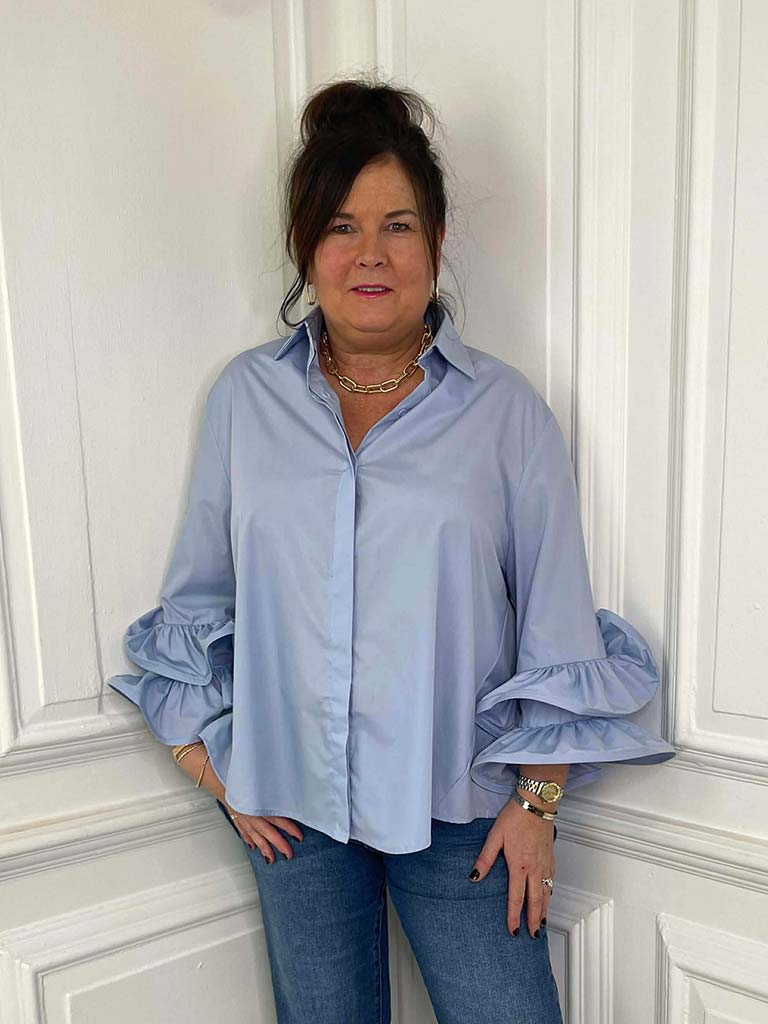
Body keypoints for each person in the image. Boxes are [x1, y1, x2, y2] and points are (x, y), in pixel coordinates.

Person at [107, 74, 677, 1024]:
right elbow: (198, 599)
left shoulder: (506, 413)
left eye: (398, 225)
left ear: (437, 241)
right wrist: (215, 770)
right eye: (342, 226)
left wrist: (538, 803)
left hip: (463, 815)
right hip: (292, 812)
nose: (370, 253)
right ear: (307, 247)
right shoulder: (246, 400)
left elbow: (557, 620)